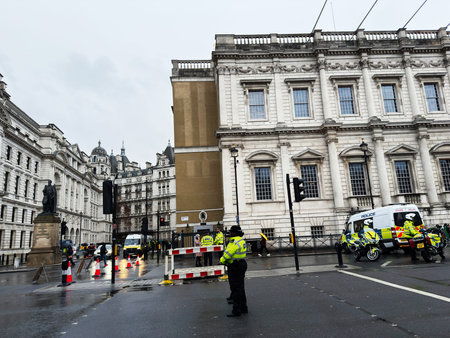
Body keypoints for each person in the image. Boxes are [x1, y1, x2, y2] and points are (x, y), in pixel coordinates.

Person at [220, 225, 248, 317]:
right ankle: (244, 307)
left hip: (234, 266)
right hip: (242, 264)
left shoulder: (233, 242)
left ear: (235, 233)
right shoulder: (241, 240)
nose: (230, 233)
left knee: (235, 289)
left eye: (231, 232)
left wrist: (222, 260)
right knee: (241, 287)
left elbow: (227, 254)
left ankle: (236, 310)